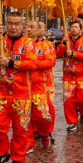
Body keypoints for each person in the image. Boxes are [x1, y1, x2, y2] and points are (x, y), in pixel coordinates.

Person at [0, 11, 37, 163]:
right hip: (1, 94)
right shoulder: (0, 41)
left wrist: (9, 62)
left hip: (21, 94)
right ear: (5, 24)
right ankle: (2, 153)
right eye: (10, 23)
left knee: (20, 130)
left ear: (22, 26)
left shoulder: (28, 43)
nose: (13, 27)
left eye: (17, 24)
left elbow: (31, 64)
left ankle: (17, 160)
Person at [57, 20, 83, 132]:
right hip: (68, 76)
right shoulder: (66, 40)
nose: (73, 29)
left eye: (76, 27)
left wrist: (73, 54)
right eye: (72, 27)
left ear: (81, 30)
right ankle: (71, 122)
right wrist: (63, 44)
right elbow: (58, 54)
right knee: (68, 100)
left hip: (82, 75)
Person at [27, 20, 56, 150]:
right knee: (25, 114)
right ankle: (29, 141)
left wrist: (33, 65)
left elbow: (50, 62)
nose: (28, 29)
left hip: (43, 84)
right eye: (27, 27)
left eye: (31, 27)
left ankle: (46, 132)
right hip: (25, 84)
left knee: (44, 113)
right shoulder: (23, 44)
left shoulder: (47, 45)